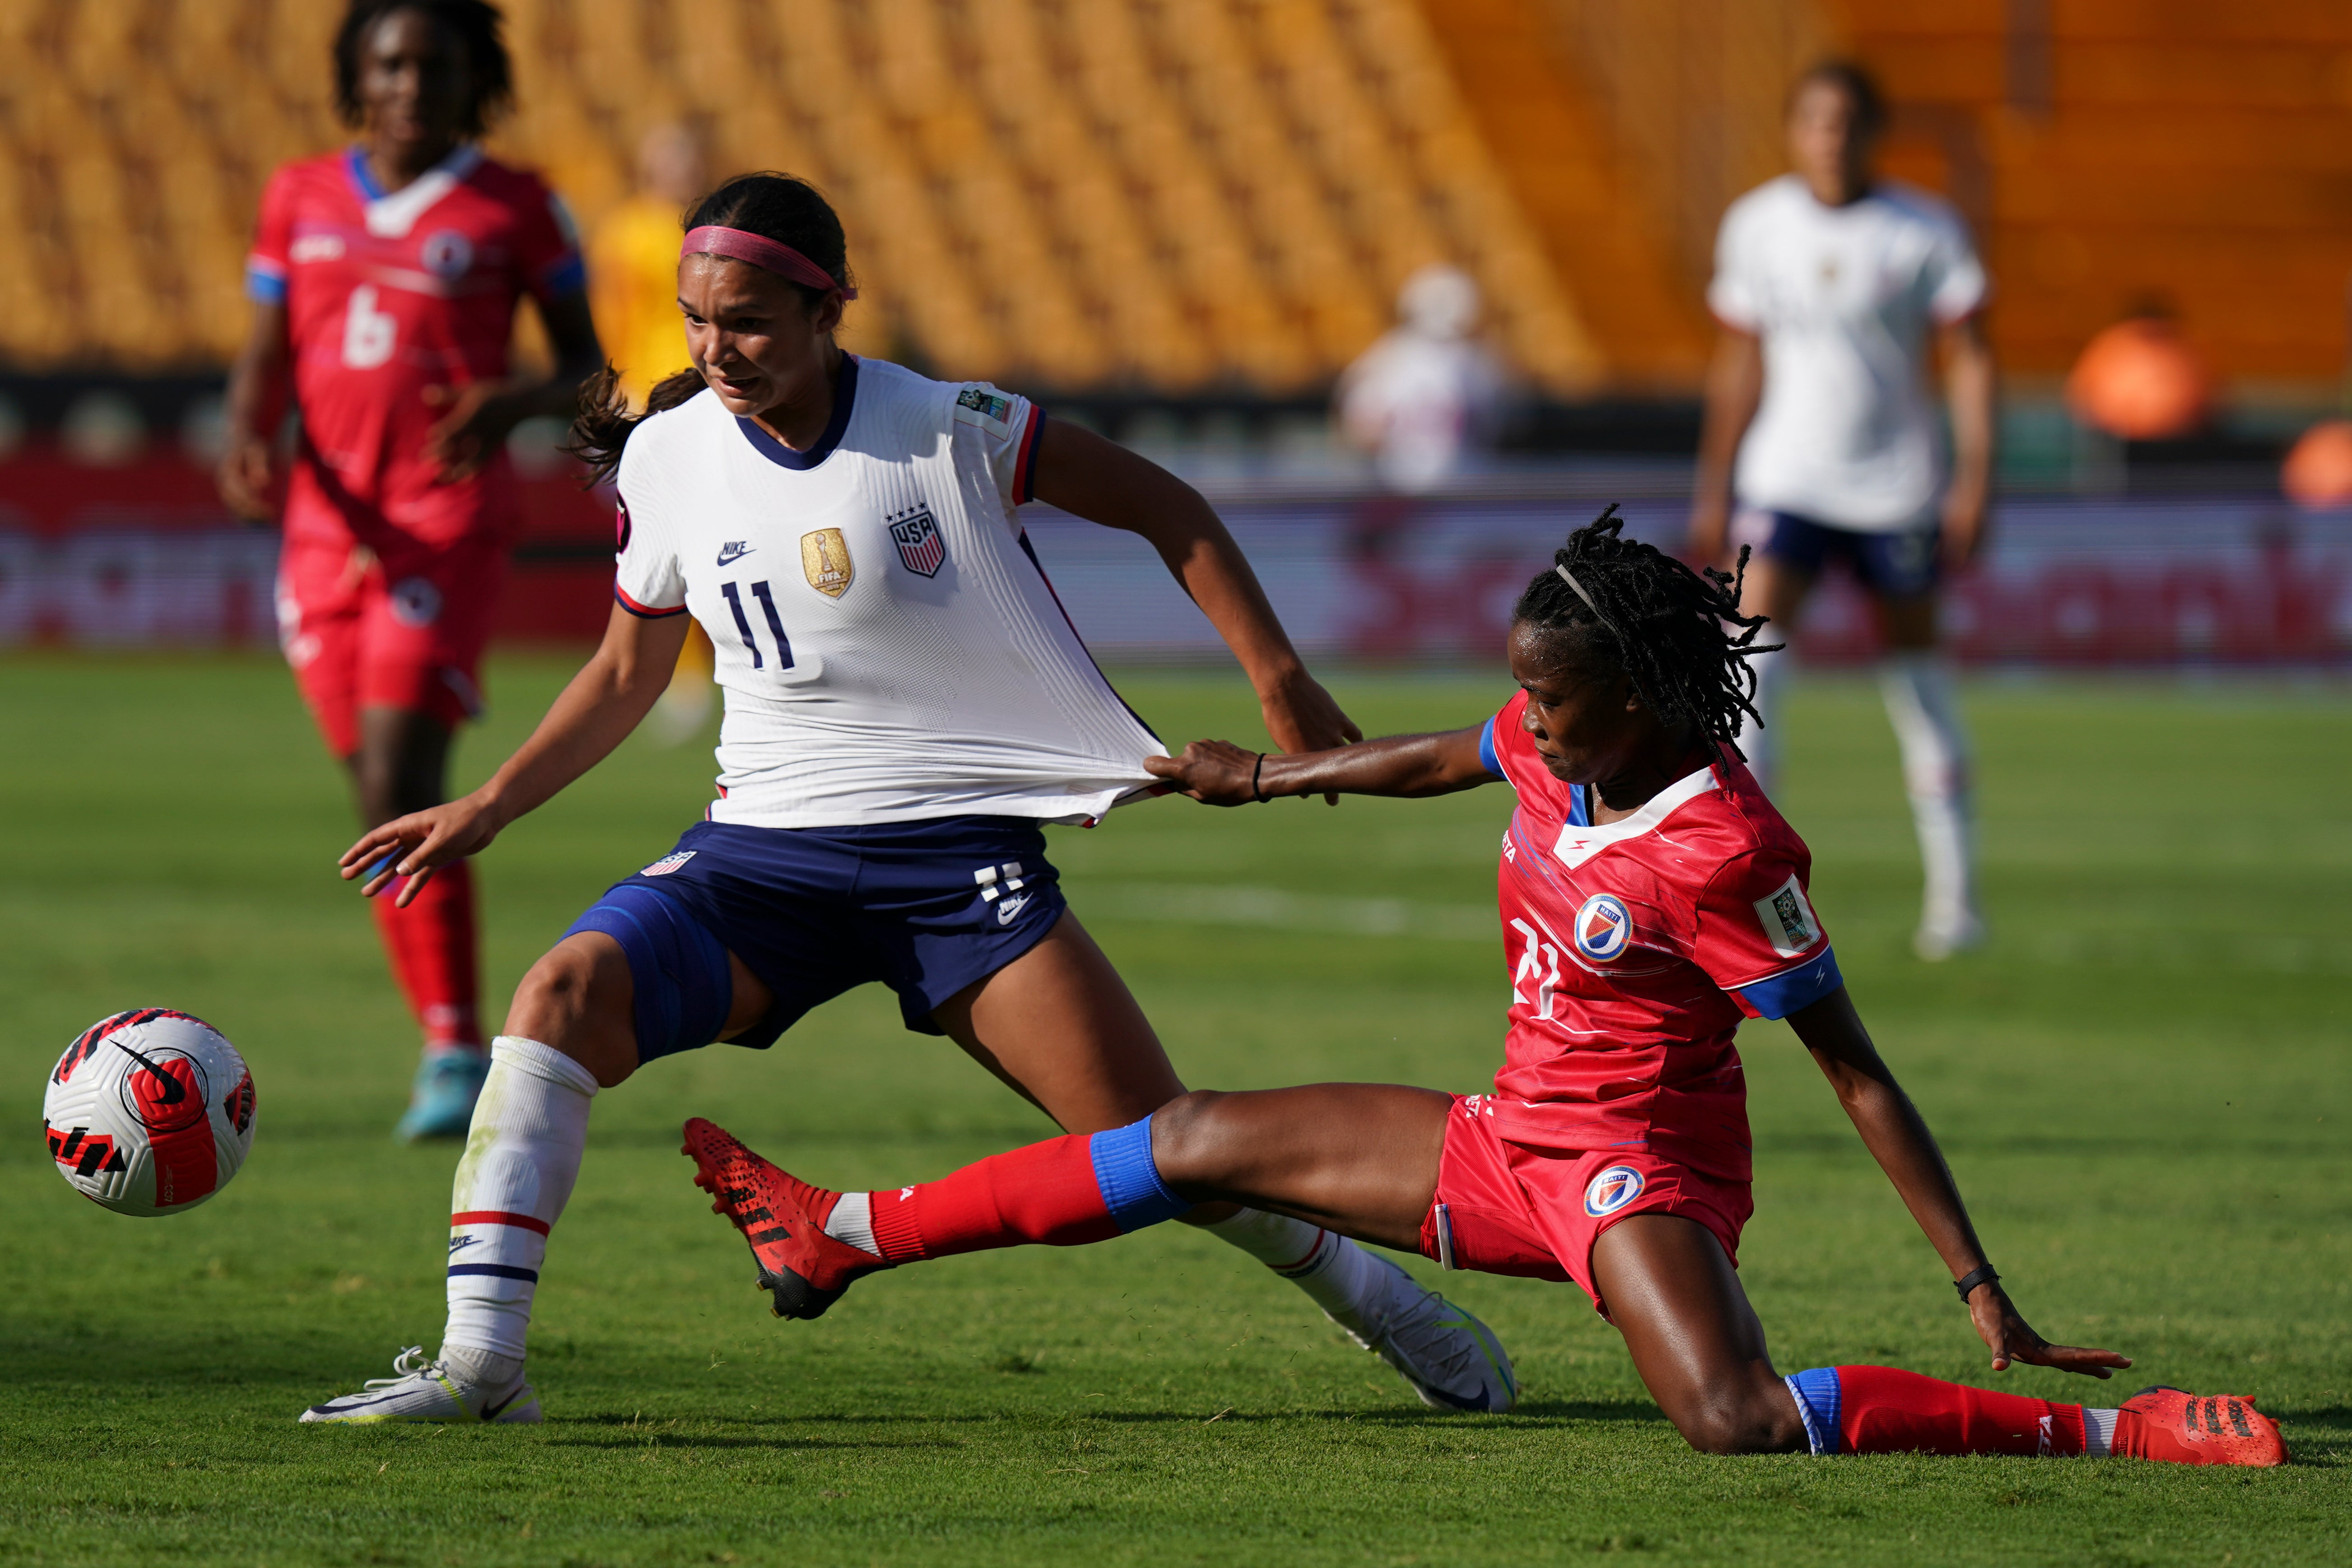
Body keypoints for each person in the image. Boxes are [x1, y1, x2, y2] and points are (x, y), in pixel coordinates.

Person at [675, 509, 2285, 1466]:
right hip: (1501, 1132)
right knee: (1182, 1137)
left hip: (1634, 1168)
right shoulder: (1554, 734)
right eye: (1526, 689)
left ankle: (2113, 1432)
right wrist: (1275, 776)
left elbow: (1854, 1067)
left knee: (1724, 1417)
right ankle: (847, 1230)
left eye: (1556, 700)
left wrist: (1979, 1283)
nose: (1530, 720)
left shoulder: (1723, 842)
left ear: (1645, 695)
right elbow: (1452, 753)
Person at [295, 172, 1521, 1425]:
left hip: (955, 870)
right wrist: (489, 807)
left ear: (833, 308)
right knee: (555, 1000)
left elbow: (1168, 506)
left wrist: (1276, 676)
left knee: (1167, 1150)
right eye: (699, 320)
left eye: (754, 321)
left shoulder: (950, 425)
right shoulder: (665, 458)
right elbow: (624, 674)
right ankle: (481, 1365)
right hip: (758, 864)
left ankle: (1382, 1301)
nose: (720, 350)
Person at [218, 0, 605, 1138]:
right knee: (374, 791)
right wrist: (251, 433)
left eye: (435, 66)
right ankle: (443, 1039)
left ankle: (453, 1051)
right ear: (358, 75)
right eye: (390, 63)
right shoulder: (299, 194)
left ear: (470, 78)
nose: (411, 85)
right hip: (324, 531)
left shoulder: (515, 204)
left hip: (443, 520)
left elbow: (586, 367)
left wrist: (513, 401)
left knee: (400, 774)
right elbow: (264, 352)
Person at [1687, 61, 1997, 961]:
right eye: (1816, 122)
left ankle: (1956, 898)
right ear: (1794, 131)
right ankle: (1746, 886)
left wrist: (1974, 477)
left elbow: (1970, 357)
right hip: (1786, 478)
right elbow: (1738, 358)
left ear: (1873, 132)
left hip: (1897, 485)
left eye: (1848, 123)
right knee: (1751, 671)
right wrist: (1714, 482)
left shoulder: (1922, 230)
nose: (1832, 138)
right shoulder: (1757, 224)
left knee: (1919, 680)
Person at [589, 121, 719, 744]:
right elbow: (611, 318)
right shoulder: (628, 233)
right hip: (650, 396)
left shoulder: (718, 230)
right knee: (659, 547)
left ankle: (706, 668)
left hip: (715, 390)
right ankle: (677, 671)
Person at [1336, 264, 1506, 495]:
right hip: (1455, 491)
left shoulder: (1387, 357)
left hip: (1405, 490)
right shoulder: (1479, 364)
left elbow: (1362, 431)